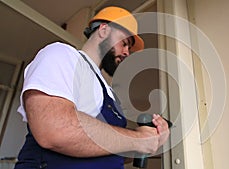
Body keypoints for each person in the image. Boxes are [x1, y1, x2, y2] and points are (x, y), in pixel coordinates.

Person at [14, 6, 170, 169]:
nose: (126, 52)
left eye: (129, 48)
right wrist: (137, 139)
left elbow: (108, 150)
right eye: (124, 43)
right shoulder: (62, 55)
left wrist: (149, 143)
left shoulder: (109, 92)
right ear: (104, 29)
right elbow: (55, 130)